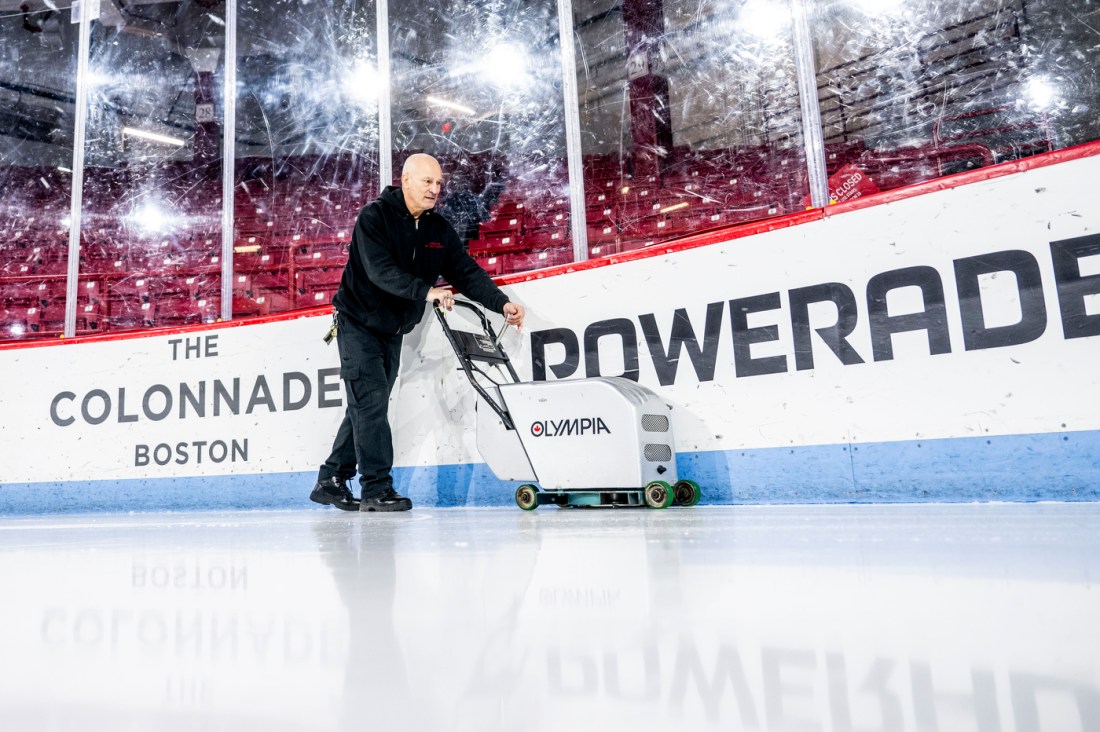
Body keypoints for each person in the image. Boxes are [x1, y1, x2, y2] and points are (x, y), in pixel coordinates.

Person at [311, 153, 525, 512]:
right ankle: (376, 488)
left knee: (366, 405)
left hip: (393, 330)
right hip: (358, 323)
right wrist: (427, 292)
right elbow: (380, 271)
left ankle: (331, 479)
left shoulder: (437, 230)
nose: (435, 189)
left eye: (439, 183)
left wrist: (501, 303)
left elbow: (465, 272)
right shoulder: (374, 218)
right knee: (372, 402)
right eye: (427, 182)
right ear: (406, 180)